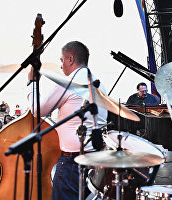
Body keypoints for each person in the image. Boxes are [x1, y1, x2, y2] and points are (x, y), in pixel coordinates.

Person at [27, 41, 108, 200]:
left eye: (62, 60)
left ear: (70, 59)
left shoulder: (71, 82)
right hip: (95, 161)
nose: (61, 65)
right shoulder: (98, 83)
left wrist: (32, 83)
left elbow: (39, 110)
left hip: (73, 162)